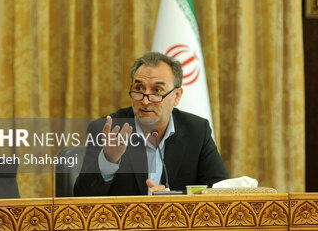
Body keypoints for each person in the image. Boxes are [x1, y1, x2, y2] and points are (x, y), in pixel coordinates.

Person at [74, 52, 228, 196]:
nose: (145, 101)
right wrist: (108, 160)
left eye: (157, 91)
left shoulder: (197, 131)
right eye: (139, 88)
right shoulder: (107, 130)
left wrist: (173, 198)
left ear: (177, 96)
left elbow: (218, 190)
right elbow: (81, 198)